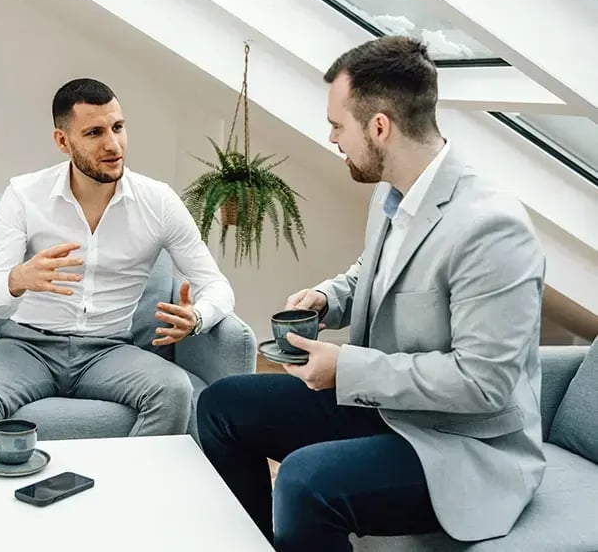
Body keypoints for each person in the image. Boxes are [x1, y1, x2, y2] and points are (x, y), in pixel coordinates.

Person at [197, 36, 546, 552]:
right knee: (221, 404)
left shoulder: (492, 228)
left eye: (338, 126)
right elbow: (376, 273)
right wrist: (326, 297)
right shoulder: (393, 191)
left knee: (303, 480)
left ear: (379, 126)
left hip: (462, 445)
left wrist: (347, 367)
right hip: (390, 406)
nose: (334, 139)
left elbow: (484, 382)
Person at [0, 78, 234, 443]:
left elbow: (216, 285)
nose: (113, 145)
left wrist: (198, 317)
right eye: (94, 132)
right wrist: (19, 278)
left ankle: (128, 494)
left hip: (109, 350)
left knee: (174, 389)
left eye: (118, 127)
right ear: (62, 141)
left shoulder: (159, 202)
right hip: (26, 346)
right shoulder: (24, 194)